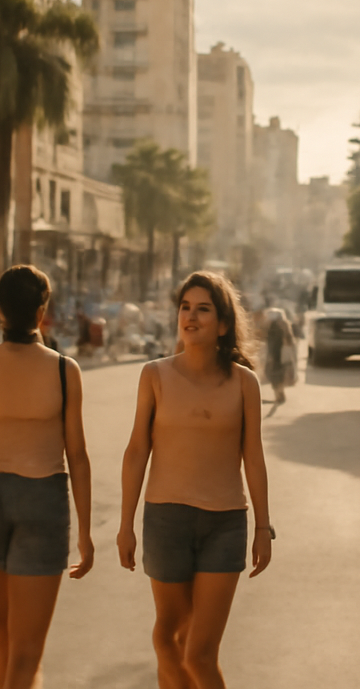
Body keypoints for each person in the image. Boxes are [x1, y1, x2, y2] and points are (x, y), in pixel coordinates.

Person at [118, 271, 273, 689]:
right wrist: (124, 525)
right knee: (169, 638)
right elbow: (136, 452)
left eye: (203, 309)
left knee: (199, 653)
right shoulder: (154, 375)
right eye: (185, 307)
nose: (191, 316)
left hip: (224, 525)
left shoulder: (244, 383)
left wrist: (262, 526)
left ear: (223, 324)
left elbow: (253, 459)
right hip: (166, 519)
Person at [0, 265, 95, 689]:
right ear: (43, 310)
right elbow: (77, 456)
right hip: (42, 496)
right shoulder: (64, 371)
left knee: (1, 641)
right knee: (27, 651)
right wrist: (84, 531)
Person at [261, 307, 296, 405]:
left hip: (276, 355)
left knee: (274, 375)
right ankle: (280, 394)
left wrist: (270, 356)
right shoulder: (284, 324)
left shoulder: (274, 326)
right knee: (278, 376)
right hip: (282, 356)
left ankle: (279, 395)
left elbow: (273, 343)